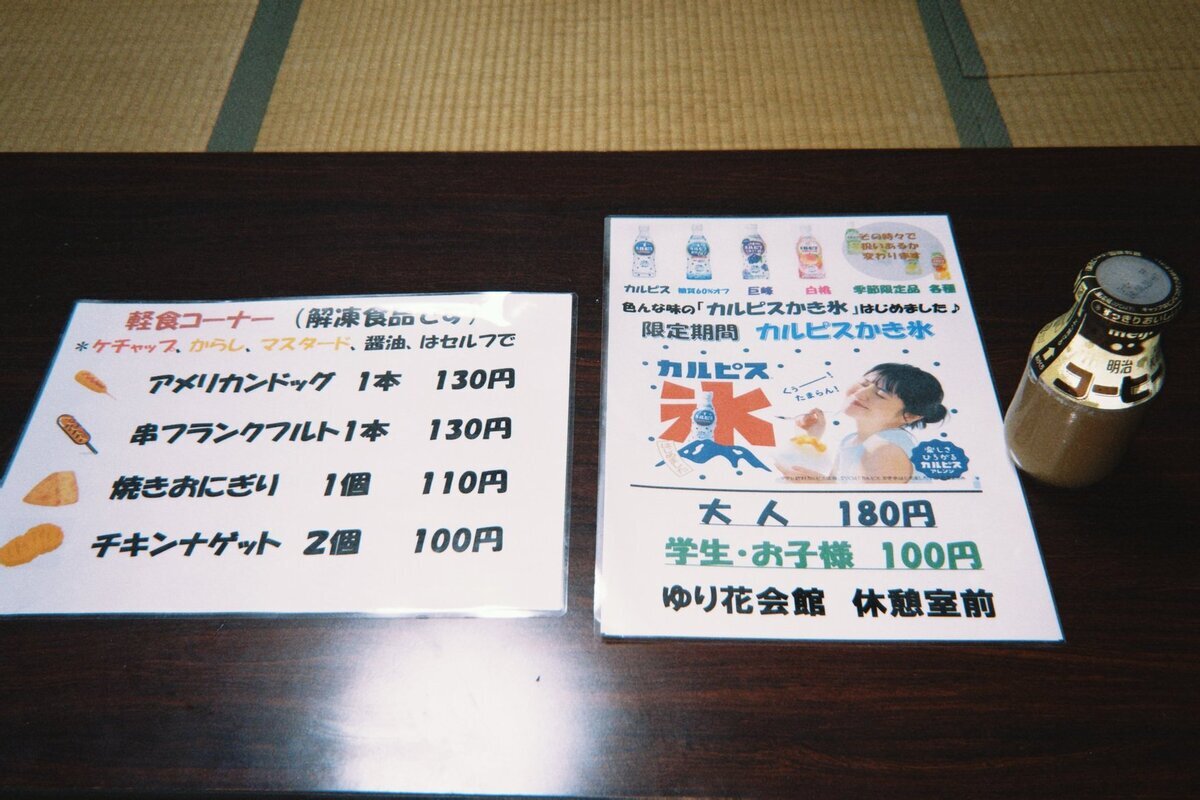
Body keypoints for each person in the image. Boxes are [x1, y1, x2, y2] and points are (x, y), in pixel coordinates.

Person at [777, 363, 947, 483]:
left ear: (910, 416)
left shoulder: (884, 448)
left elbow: (863, 505)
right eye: (864, 384)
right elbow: (837, 485)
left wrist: (819, 485)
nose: (860, 393)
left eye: (880, 394)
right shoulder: (851, 440)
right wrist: (810, 437)